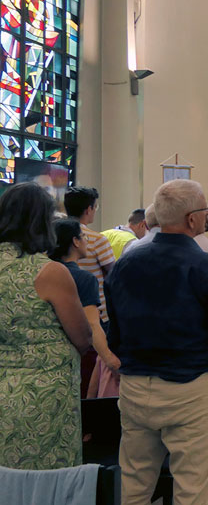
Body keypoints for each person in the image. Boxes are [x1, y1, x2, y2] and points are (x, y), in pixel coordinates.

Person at [106, 179, 208, 504]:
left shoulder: (126, 263)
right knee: (192, 491)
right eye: (206, 210)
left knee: (133, 486)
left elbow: (114, 328)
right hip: (191, 390)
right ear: (191, 219)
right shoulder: (206, 265)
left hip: (135, 387)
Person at [0, 183, 92, 469]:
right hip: (45, 394)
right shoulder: (48, 271)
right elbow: (82, 336)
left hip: (3, 384)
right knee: (45, 475)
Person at [51, 218, 121, 398]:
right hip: (77, 355)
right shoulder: (84, 279)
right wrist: (110, 360)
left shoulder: (43, 273)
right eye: (83, 236)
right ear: (75, 241)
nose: (87, 241)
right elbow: (92, 324)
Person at [64, 186, 115, 323]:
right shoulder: (97, 239)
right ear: (88, 210)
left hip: (64, 309)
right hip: (96, 311)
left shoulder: (56, 235)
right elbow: (113, 274)